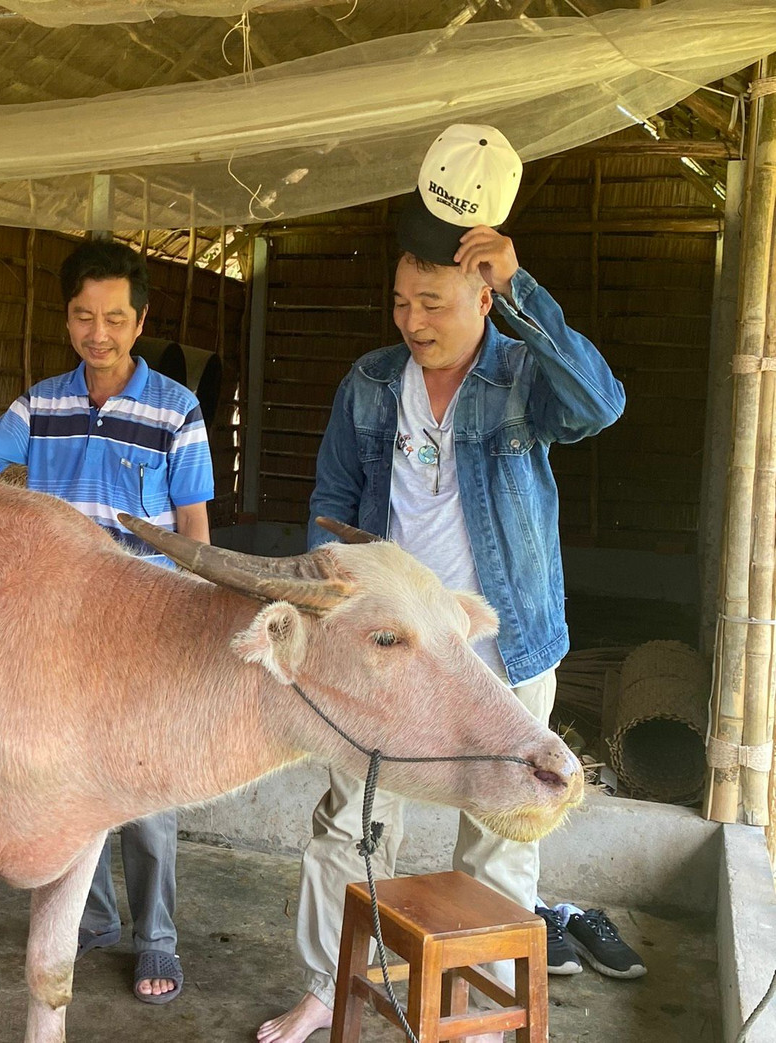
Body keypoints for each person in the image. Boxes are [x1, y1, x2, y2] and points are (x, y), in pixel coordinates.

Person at [256, 125, 625, 1043]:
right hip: (392, 649)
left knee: (499, 834)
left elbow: (601, 403)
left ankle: (483, 1008)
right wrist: (334, 599)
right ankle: (323, 985)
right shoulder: (371, 384)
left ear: (482, 296)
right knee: (347, 819)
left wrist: (526, 292)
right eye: (400, 300)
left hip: (504, 646)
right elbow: (333, 496)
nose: (412, 320)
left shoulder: (520, 378)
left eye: (432, 301)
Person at [0, 238, 215, 1005]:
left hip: (142, 630)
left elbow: (194, 526)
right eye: (85, 317)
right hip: (53, 631)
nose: (100, 332)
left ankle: (155, 934)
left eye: (116, 318)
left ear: (141, 319)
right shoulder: (43, 401)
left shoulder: (176, 409)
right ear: (68, 319)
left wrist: (190, 622)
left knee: (148, 789)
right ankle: (87, 918)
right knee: (64, 781)